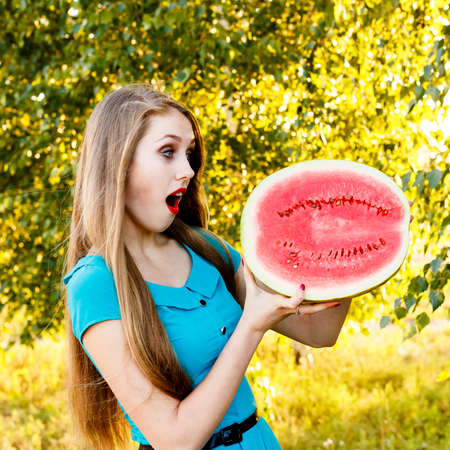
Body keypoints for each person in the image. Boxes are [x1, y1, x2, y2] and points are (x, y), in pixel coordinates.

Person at [62, 83, 352, 450]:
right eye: (167, 152)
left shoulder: (205, 248)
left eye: (189, 155)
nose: (187, 170)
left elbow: (320, 333)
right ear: (118, 161)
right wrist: (250, 327)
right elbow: (175, 439)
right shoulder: (94, 284)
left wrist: (342, 251)